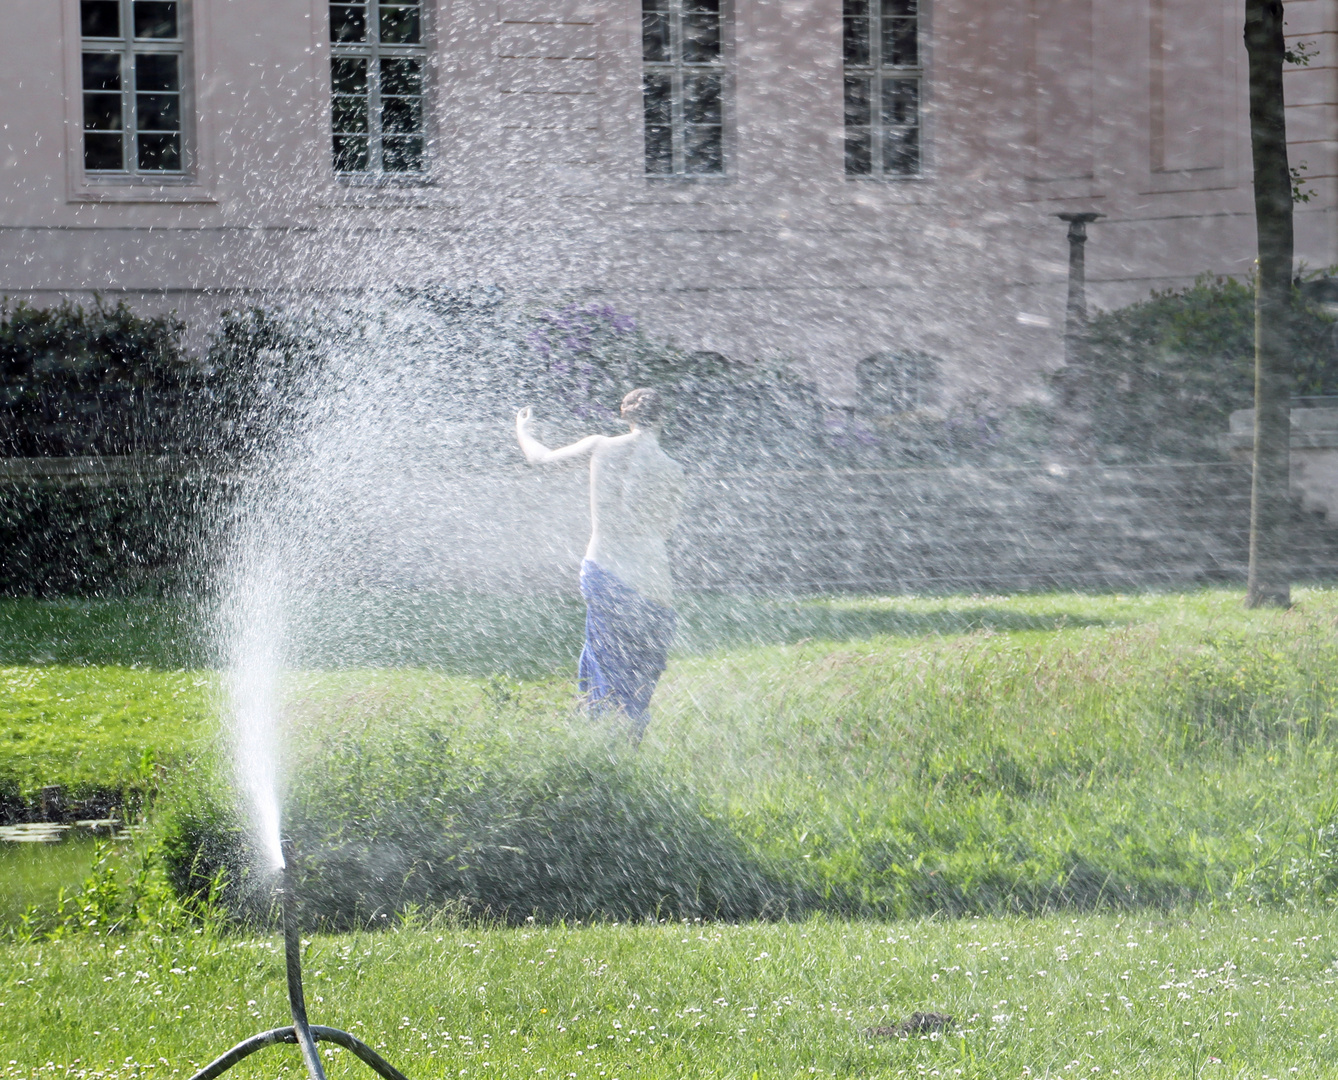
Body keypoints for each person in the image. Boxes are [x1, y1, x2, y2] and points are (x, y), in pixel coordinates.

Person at [515, 388, 685, 741]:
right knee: (639, 672)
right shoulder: (672, 470)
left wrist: (523, 430)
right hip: (652, 581)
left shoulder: (600, 447)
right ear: (664, 417)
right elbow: (665, 529)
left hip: (604, 569)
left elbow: (541, 460)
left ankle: (597, 749)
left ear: (624, 414)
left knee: (603, 660)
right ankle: (624, 745)